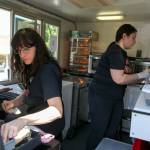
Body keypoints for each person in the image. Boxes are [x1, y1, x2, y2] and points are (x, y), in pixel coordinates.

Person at [86, 24, 150, 150]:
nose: (134, 41)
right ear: (124, 36)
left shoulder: (121, 53)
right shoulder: (115, 51)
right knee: (99, 131)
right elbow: (119, 78)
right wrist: (142, 74)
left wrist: (142, 77)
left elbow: (124, 75)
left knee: (111, 131)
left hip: (114, 97)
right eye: (133, 37)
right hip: (102, 97)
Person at [0, 28, 64, 143]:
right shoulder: (33, 66)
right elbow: (29, 92)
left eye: (26, 49)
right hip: (35, 122)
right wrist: (14, 102)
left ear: (38, 48)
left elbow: (56, 111)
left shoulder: (47, 70)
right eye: (19, 51)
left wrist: (23, 120)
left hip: (48, 129)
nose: (22, 55)